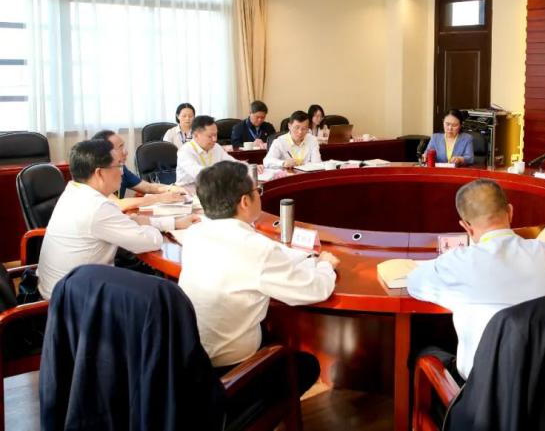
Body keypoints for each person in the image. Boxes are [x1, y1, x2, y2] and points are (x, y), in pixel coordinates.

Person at [178, 161, 338, 394]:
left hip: (189, 363)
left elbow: (251, 253)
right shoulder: (257, 250)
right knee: (307, 365)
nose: (259, 195)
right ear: (245, 202)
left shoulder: (195, 234)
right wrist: (325, 265)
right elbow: (315, 289)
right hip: (230, 376)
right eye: (257, 190)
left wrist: (294, 256)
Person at [407, 178, 545, 382]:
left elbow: (413, 283)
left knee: (423, 348)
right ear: (510, 212)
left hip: (483, 392)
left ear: (466, 227)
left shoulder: (456, 264)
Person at [37, 139, 197, 299]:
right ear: (100, 173)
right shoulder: (97, 207)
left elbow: (132, 223)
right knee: (165, 293)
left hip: (65, 286)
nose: (122, 172)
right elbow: (150, 242)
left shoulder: (75, 191)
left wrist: (174, 223)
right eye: (119, 166)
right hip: (74, 301)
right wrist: (144, 224)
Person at [92, 130, 186, 211]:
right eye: (120, 147)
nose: (126, 152)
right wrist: (158, 198)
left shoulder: (121, 168)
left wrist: (171, 188)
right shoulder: (95, 173)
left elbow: (148, 187)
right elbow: (117, 204)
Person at [176, 115, 260, 186]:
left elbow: (232, 162)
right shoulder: (185, 151)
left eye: (216, 135)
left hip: (210, 189)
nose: (214, 139)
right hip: (187, 191)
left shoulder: (216, 147)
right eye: (210, 136)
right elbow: (200, 174)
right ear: (195, 136)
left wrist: (250, 167)